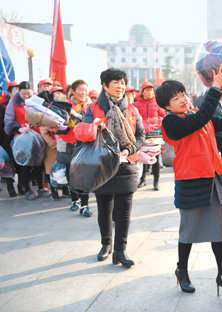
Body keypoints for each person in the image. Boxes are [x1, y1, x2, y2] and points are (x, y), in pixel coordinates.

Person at [156, 64, 222, 299]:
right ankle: (182, 271)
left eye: (183, 94)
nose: (183, 100)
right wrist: (215, 87)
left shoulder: (196, 114)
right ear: (166, 106)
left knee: (218, 233)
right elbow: (203, 116)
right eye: (176, 98)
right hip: (191, 182)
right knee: (188, 232)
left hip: (213, 179)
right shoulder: (172, 124)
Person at [77, 68, 145, 268]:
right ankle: (106, 243)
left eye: (122, 82)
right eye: (116, 82)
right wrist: (94, 128)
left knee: (124, 211)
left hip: (126, 163)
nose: (120, 86)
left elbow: (141, 136)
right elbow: (82, 134)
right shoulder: (93, 109)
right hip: (102, 165)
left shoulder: (132, 109)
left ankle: (120, 251)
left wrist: (129, 149)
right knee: (104, 208)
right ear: (105, 86)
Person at [4, 81, 51, 200]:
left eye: (28, 93)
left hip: (37, 136)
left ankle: (41, 187)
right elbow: (8, 121)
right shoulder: (13, 103)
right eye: (23, 93)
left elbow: (45, 115)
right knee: (25, 163)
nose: (25, 96)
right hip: (22, 138)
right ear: (18, 92)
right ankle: (26, 188)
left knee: (39, 162)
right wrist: (18, 128)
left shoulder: (36, 100)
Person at [57, 79, 91, 215]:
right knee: (70, 173)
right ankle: (74, 199)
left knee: (84, 174)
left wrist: (79, 116)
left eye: (85, 90)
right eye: (80, 90)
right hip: (69, 143)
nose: (83, 93)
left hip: (84, 144)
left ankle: (85, 205)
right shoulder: (67, 105)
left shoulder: (90, 106)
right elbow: (59, 125)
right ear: (73, 91)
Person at [134, 81, 166, 190]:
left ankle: (156, 181)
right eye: (147, 90)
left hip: (155, 135)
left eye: (151, 90)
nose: (150, 92)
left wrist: (155, 121)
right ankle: (142, 180)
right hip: (141, 135)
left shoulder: (158, 103)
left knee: (155, 156)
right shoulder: (136, 105)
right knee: (143, 157)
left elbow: (163, 116)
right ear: (142, 92)